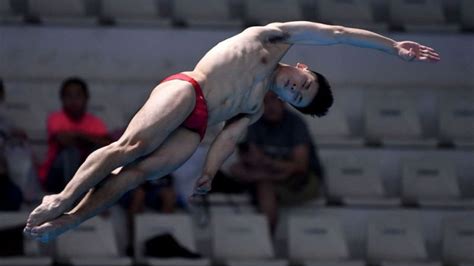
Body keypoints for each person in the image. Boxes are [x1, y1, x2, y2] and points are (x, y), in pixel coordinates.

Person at [24, 21, 440, 242]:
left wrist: (208, 171)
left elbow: (227, 137)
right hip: (189, 88)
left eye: (298, 98)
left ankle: (71, 220)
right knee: (130, 148)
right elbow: (338, 34)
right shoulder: (272, 37)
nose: (296, 90)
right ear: (304, 68)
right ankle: (62, 197)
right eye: (304, 85)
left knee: (136, 176)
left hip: (199, 126)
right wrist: (392, 47)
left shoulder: (257, 107)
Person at [229, 91, 324, 233]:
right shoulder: (255, 123)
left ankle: (267, 236)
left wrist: (266, 162)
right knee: (235, 169)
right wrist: (258, 162)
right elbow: (250, 159)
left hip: (299, 179)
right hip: (270, 173)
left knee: (264, 186)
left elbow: (300, 166)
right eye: (265, 102)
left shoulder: (296, 124)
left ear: (283, 102)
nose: (270, 106)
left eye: (273, 100)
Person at [38, 77, 112, 193]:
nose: (73, 100)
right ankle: (71, 197)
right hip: (56, 177)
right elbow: (65, 141)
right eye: (69, 96)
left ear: (86, 98)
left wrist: (78, 135)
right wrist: (90, 139)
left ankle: (94, 195)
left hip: (84, 175)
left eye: (78, 96)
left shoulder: (95, 122)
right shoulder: (56, 118)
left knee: (99, 152)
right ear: (62, 99)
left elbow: (108, 144)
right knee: (71, 152)